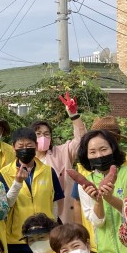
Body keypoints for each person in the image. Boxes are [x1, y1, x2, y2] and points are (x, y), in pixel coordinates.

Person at [0, 127, 64, 253]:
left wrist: (53, 226)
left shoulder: (48, 171)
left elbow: (55, 202)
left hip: (45, 236)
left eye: (29, 145)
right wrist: (17, 183)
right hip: (17, 239)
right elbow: (6, 205)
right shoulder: (4, 173)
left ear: (36, 146)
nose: (25, 149)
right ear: (13, 147)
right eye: (20, 146)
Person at [33, 91, 87, 224]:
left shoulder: (62, 152)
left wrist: (74, 115)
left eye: (47, 134)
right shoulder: (27, 160)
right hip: (37, 213)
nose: (43, 137)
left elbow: (82, 140)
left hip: (62, 213)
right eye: (38, 134)